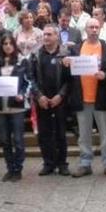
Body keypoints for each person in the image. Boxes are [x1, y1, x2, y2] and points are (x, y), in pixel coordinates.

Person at [63, 18, 106, 178]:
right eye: (91, 27)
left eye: (96, 27)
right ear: (85, 30)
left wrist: (105, 75)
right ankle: (85, 163)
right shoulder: (76, 50)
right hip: (82, 98)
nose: (94, 29)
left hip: (102, 98)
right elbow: (69, 76)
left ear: (100, 29)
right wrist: (65, 64)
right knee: (84, 134)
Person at [0, 35, 29, 182]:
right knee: (4, 140)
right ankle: (9, 168)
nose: (8, 46)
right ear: (1, 46)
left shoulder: (22, 62)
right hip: (0, 107)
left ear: (15, 45)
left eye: (10, 43)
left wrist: (22, 94)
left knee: (18, 139)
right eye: (5, 44)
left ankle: (18, 169)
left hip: (17, 107)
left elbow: (28, 82)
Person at [29, 24, 71, 176]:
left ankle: (62, 163)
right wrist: (38, 96)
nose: (45, 37)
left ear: (57, 36)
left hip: (59, 99)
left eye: (49, 35)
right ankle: (48, 163)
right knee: (44, 133)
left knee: (60, 132)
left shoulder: (66, 54)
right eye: (44, 34)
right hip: (42, 100)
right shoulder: (35, 54)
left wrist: (61, 95)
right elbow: (30, 78)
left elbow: (70, 79)